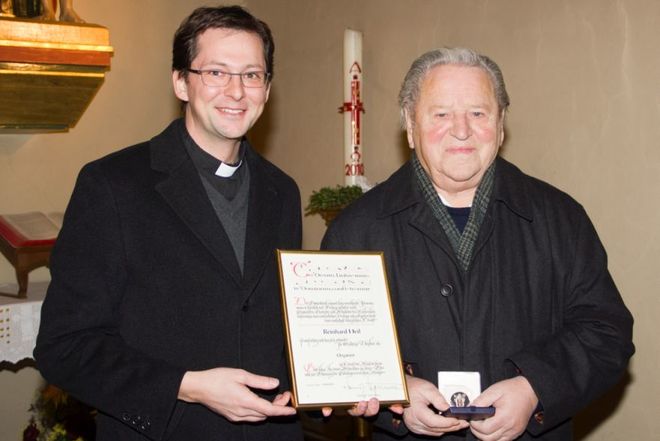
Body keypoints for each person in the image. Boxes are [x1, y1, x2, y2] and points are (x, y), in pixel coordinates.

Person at [322, 47, 634, 440]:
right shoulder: (356, 229)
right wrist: (394, 394)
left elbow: (606, 332)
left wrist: (534, 387)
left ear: (501, 125)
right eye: (441, 114)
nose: (461, 130)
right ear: (409, 124)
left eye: (478, 113)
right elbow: (332, 351)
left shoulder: (560, 218)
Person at [34, 5, 303, 441]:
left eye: (252, 75)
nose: (237, 91)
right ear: (181, 82)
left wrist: (346, 381)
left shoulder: (283, 192)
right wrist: (187, 386)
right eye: (216, 72)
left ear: (267, 89)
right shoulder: (113, 185)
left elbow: (280, 330)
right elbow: (65, 345)